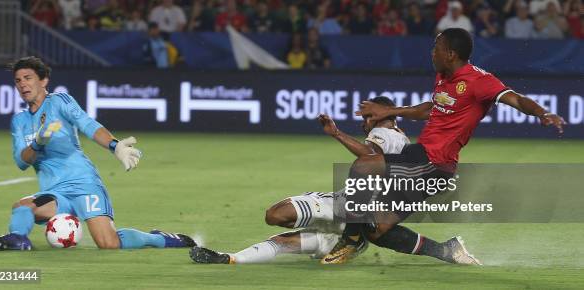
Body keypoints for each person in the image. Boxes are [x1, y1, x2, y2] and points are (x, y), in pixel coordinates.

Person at [321, 28, 565, 264]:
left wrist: (543, 113)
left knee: (363, 166)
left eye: (436, 48)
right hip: (422, 159)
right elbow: (432, 108)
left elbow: (516, 99)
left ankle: (350, 240)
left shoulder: (479, 81)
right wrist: (390, 111)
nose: (432, 53)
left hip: (432, 162)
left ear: (450, 54)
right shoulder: (443, 77)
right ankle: (448, 251)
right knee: (376, 230)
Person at [189, 97, 480, 265]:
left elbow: (369, 154)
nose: (364, 122)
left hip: (345, 206)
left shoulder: (385, 133)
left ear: (378, 115)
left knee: (276, 216)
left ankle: (352, 239)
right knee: (285, 240)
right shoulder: (402, 141)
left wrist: (337, 134)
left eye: (367, 116)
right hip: (358, 216)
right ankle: (229, 259)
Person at [0, 57, 195, 251]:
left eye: (28, 78)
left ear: (44, 80)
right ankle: (18, 239)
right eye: (18, 80)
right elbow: (21, 161)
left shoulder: (60, 101)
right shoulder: (19, 121)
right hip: (56, 194)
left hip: (84, 184)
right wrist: (38, 143)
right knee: (22, 207)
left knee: (108, 244)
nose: (22, 84)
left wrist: (115, 146)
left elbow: (87, 124)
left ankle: (157, 238)